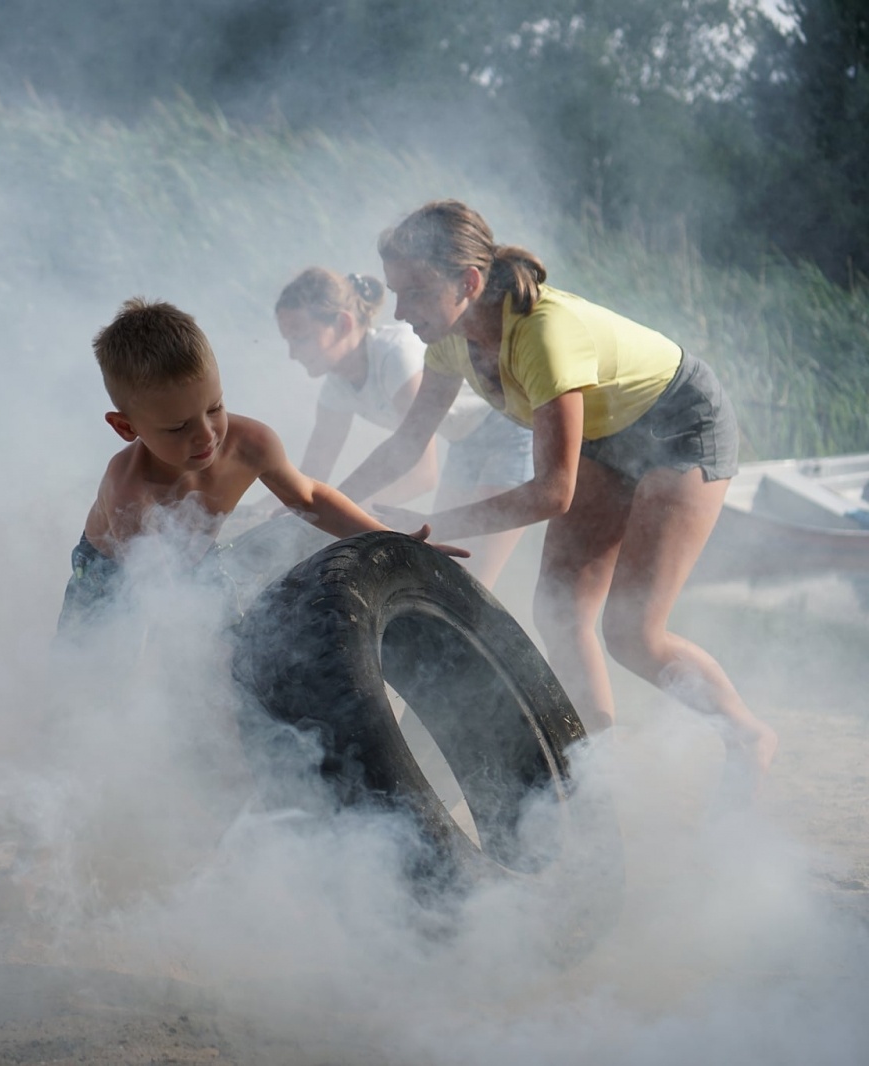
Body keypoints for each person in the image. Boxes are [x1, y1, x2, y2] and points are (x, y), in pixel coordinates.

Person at [337, 199, 777, 790]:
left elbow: (552, 493)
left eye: (414, 291)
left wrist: (435, 524)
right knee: (560, 609)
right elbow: (408, 443)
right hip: (608, 433)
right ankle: (596, 765)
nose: (400, 310)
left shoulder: (543, 334)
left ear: (468, 281)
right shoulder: (448, 338)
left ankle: (747, 736)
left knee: (632, 633)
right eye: (395, 292)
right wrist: (320, 500)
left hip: (681, 427)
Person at [58, 297, 466, 633]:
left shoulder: (250, 444)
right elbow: (158, 598)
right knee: (95, 673)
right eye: (179, 427)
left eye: (214, 407)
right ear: (126, 427)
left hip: (197, 563)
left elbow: (310, 498)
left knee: (231, 660)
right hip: (110, 577)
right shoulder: (129, 490)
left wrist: (394, 541)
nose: (206, 436)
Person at [275, 267, 534, 587]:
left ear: (342, 323)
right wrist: (265, 513)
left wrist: (345, 513)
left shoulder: (395, 355)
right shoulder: (336, 385)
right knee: (445, 574)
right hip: (465, 444)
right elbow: (312, 472)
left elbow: (422, 473)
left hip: (510, 431)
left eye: (300, 337)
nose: (291, 353)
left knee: (471, 582)